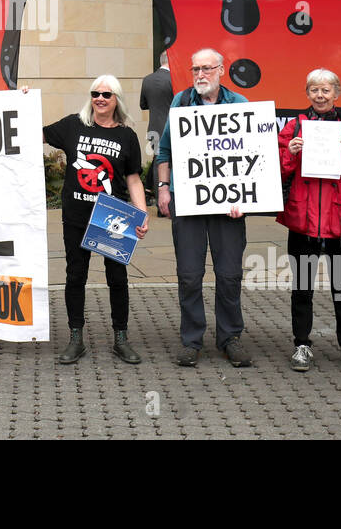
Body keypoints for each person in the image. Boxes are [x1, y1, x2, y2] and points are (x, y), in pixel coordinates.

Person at [277, 69, 341, 373]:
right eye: (314, 90)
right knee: (302, 288)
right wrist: (291, 154)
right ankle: (302, 345)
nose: (320, 96)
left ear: (337, 93)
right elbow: (274, 172)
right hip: (304, 221)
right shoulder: (294, 128)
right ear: (307, 93)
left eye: (325, 90)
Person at [154, 49, 252, 368]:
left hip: (229, 206)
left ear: (221, 70)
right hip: (188, 203)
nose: (200, 74)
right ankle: (191, 340)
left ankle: (230, 338)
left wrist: (247, 198)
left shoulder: (239, 106)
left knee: (229, 275)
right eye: (195, 68)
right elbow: (165, 150)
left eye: (207, 68)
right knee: (189, 276)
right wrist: (164, 188)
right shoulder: (181, 102)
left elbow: (253, 157)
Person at [42, 75, 150, 364]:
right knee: (75, 275)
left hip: (112, 216)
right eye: (95, 93)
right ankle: (76, 337)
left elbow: (133, 179)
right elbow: (34, 133)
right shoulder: (73, 126)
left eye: (107, 94)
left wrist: (142, 214)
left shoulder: (126, 136)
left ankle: (121, 338)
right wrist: (24, 98)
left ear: (117, 100)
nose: (100, 98)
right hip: (76, 215)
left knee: (117, 278)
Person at [139, 50, 173, 158]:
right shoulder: (173, 79)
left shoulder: (147, 80)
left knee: (158, 161)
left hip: (154, 131)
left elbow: (143, 105)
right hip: (172, 130)